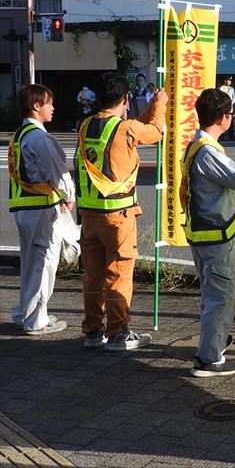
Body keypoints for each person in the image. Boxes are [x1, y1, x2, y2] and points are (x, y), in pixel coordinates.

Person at [180, 88, 235, 377]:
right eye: (230, 114)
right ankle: (210, 359)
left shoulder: (199, 147)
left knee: (213, 295)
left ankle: (215, 341)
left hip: (207, 236)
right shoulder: (207, 152)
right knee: (220, 299)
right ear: (222, 118)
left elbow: (227, 186)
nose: (232, 118)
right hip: (217, 239)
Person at [75, 73, 168, 351]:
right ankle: (118, 333)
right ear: (126, 98)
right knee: (119, 274)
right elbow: (154, 132)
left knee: (93, 276)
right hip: (118, 215)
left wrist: (151, 106)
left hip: (89, 215)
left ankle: (93, 331)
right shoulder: (125, 129)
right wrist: (161, 104)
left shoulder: (86, 125)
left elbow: (134, 126)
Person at [8, 85, 76, 335]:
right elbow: (59, 175)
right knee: (43, 264)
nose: (53, 107)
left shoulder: (19, 135)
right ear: (36, 106)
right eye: (49, 103)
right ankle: (37, 320)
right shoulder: (39, 138)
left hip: (25, 208)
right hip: (42, 209)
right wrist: (69, 197)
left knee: (30, 264)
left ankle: (24, 312)